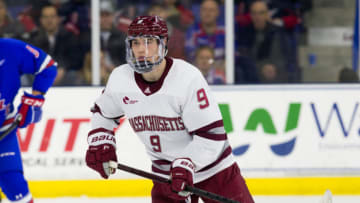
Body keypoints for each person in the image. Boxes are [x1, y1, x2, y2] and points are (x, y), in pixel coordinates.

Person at [85, 15, 254, 203]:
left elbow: (212, 137)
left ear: (163, 43)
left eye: (149, 42)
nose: (141, 49)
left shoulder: (187, 79)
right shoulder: (120, 79)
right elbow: (103, 114)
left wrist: (186, 164)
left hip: (215, 172)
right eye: (136, 43)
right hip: (165, 178)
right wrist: (101, 141)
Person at [0, 38, 57, 203]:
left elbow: (47, 66)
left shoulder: (9, 49)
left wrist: (34, 100)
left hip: (4, 131)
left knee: (15, 186)